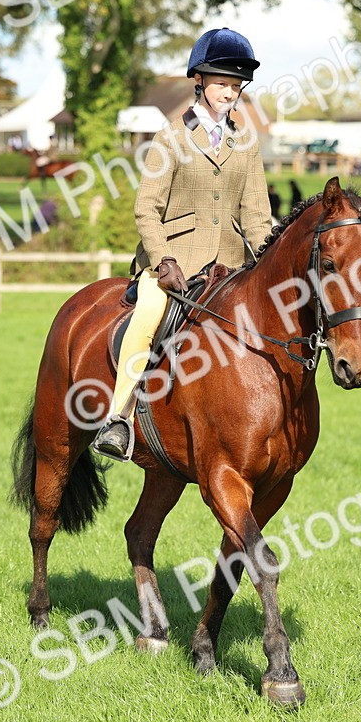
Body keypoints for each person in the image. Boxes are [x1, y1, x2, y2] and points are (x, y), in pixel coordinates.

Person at [91, 27, 271, 460]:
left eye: (235, 86)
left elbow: (257, 217)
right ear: (200, 81)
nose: (229, 93)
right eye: (222, 83)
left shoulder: (246, 143)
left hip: (230, 267)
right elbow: (146, 208)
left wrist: (268, 262)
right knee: (148, 318)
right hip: (175, 264)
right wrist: (163, 260)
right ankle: (119, 417)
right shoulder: (171, 137)